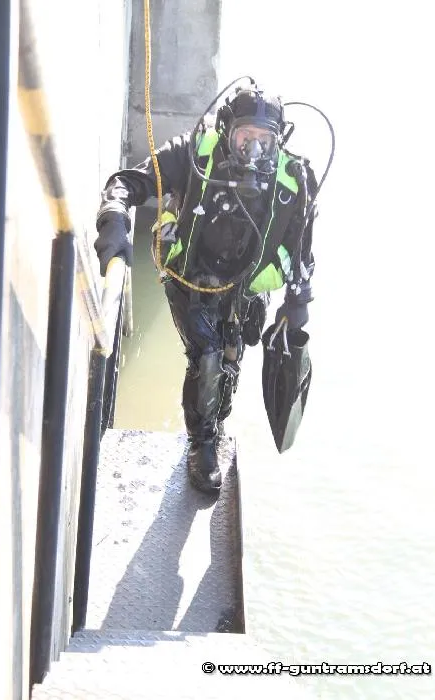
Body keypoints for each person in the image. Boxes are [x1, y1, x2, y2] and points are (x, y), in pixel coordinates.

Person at [94, 80, 318, 496]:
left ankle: (216, 417)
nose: (254, 151)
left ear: (279, 141)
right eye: (245, 138)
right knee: (207, 359)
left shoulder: (294, 180)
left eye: (265, 141)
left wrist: (297, 302)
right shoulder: (193, 154)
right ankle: (203, 444)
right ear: (227, 131)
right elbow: (127, 182)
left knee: (231, 359)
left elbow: (302, 246)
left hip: (246, 287)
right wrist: (114, 220)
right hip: (190, 277)